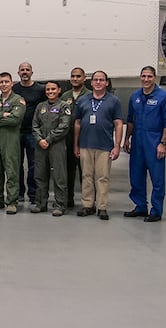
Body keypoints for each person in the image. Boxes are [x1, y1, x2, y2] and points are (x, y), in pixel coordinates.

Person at [123, 66, 166, 223]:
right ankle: (140, 206)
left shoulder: (164, 97)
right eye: (143, 76)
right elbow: (130, 120)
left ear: (154, 78)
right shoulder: (135, 96)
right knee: (136, 176)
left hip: (154, 144)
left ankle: (156, 211)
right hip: (137, 144)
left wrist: (163, 143)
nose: (146, 79)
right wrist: (127, 139)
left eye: (149, 76)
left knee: (157, 179)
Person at [73, 70, 123, 221]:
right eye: (96, 79)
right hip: (85, 144)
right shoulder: (83, 100)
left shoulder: (113, 101)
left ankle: (102, 207)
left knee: (102, 177)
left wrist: (117, 145)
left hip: (104, 145)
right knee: (86, 176)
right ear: (91, 82)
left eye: (102, 80)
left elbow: (118, 124)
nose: (99, 82)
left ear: (107, 82)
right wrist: (76, 145)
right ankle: (87, 205)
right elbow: (77, 123)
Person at [0, 72, 26, 214]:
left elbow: (15, 119)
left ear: (11, 83)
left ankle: (12, 202)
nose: (3, 84)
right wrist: (2, 114)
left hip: (10, 140)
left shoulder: (18, 100)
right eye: (1, 82)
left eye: (6, 82)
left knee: (11, 171)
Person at [31, 81, 71, 216]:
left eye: (53, 89)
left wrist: (48, 139)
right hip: (40, 145)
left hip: (56, 145)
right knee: (40, 175)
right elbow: (35, 125)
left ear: (59, 90)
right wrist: (40, 139)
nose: (50, 91)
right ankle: (40, 203)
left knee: (59, 176)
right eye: (48, 89)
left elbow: (64, 127)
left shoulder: (64, 106)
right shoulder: (40, 106)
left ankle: (60, 204)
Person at [12, 62, 46, 204]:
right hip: (16, 132)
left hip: (33, 133)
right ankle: (19, 193)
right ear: (18, 73)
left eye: (27, 70)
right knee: (16, 164)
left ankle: (33, 193)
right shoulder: (14, 88)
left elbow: (44, 110)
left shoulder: (40, 89)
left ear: (32, 72)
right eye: (22, 70)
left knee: (33, 164)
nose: (25, 72)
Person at [61, 67, 88, 208]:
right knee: (68, 171)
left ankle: (87, 201)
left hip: (85, 138)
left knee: (86, 172)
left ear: (84, 78)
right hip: (67, 138)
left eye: (78, 76)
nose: (75, 78)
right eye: (73, 76)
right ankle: (68, 199)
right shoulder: (65, 96)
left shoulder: (89, 95)